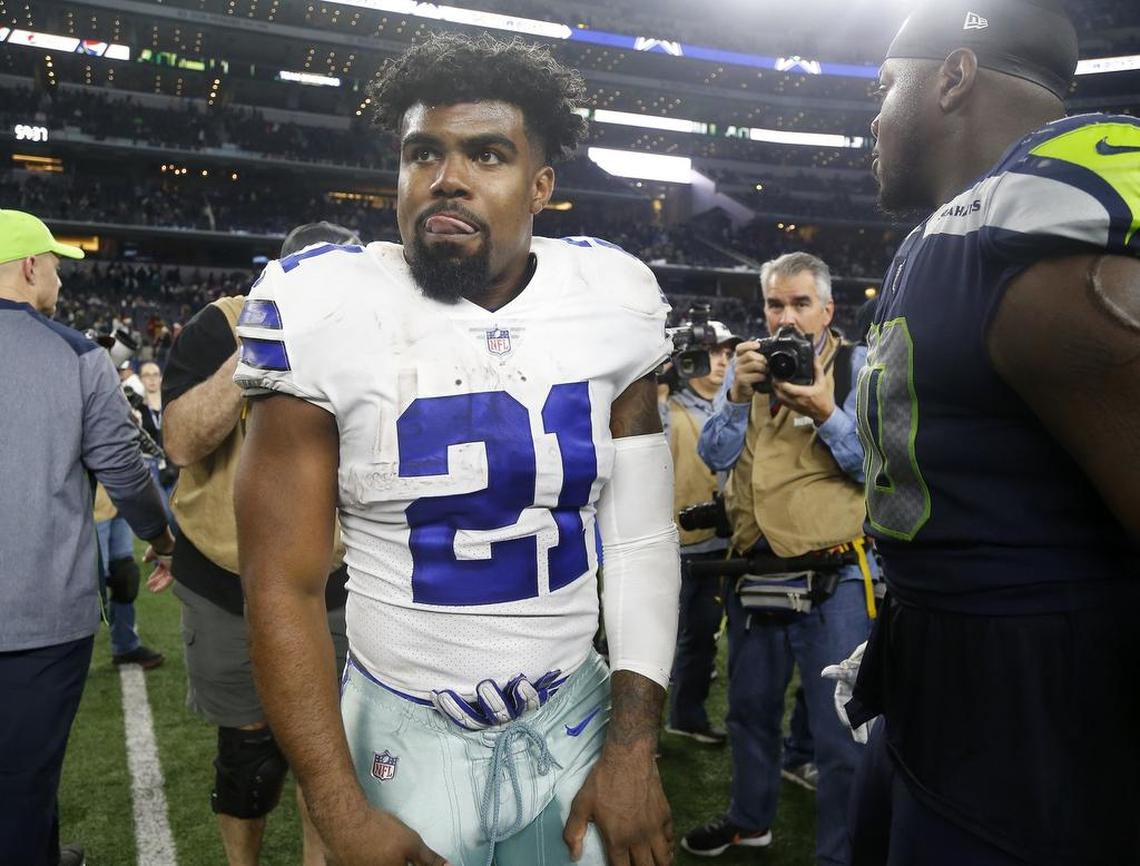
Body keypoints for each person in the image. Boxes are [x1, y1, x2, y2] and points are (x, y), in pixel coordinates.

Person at [233, 34, 680, 866]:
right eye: (422, 153)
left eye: (487, 153)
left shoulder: (613, 299)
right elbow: (280, 585)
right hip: (399, 720)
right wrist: (339, 813)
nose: (447, 177)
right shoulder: (324, 304)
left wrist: (632, 748)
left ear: (542, 185)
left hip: (571, 713)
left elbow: (642, 543)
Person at [834, 1, 1140, 863]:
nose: (874, 116)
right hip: (942, 693)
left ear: (954, 77)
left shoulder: (1042, 243)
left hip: (1037, 740)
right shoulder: (961, 233)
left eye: (886, 86)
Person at [161, 221, 360, 866]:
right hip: (227, 581)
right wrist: (260, 339)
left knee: (326, 751)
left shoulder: (368, 337)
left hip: (334, 579)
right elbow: (183, 444)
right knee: (247, 754)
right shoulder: (221, 326)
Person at [685, 251, 874, 864]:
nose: (786, 317)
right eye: (775, 303)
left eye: (799, 303)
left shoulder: (858, 366)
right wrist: (737, 395)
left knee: (841, 733)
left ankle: (840, 854)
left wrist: (826, 412)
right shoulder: (747, 370)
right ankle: (750, 819)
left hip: (835, 573)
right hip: (754, 571)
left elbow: (881, 472)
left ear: (827, 308)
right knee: (748, 712)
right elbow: (714, 456)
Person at [0, 209, 175, 866]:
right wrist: (162, 537)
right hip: (39, 614)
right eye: (53, 266)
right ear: (28, 266)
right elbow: (125, 471)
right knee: (23, 777)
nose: (60, 281)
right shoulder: (77, 356)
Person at [659, 320, 738, 746]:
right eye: (714, 351)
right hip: (667, 546)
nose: (723, 359)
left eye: (729, 352)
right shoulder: (664, 402)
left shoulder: (737, 408)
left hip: (718, 544)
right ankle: (636, 737)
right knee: (652, 645)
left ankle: (686, 716)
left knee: (703, 639)